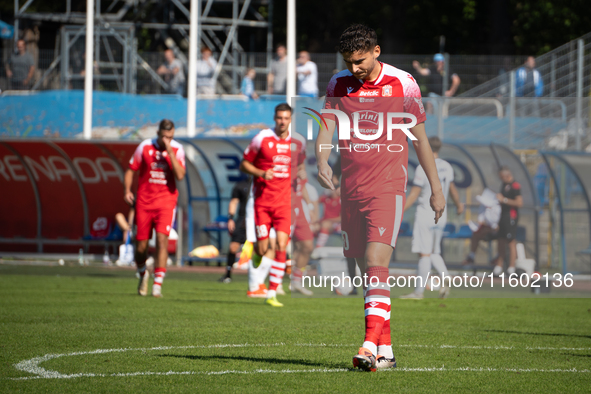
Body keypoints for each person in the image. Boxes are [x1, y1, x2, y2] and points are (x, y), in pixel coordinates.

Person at [316, 24, 445, 372]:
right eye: (348, 62)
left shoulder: (403, 83)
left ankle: (369, 346)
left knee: (376, 261)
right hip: (351, 190)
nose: (354, 68)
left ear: (376, 51)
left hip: (388, 186)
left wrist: (436, 188)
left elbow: (419, 139)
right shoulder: (338, 83)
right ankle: (386, 351)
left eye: (359, 61)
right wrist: (321, 159)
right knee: (368, 274)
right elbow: (327, 122)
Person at [240, 103, 303, 307]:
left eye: (286, 118)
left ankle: (272, 293)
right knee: (263, 247)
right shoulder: (262, 138)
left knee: (282, 246)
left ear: (290, 119)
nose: (282, 121)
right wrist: (260, 173)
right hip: (263, 203)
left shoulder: (298, 142)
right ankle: (257, 257)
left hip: (284, 203)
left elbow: (299, 165)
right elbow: (244, 163)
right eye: (279, 118)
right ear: (274, 118)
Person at [124, 119, 186, 298]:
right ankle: (143, 272)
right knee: (141, 246)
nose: (167, 139)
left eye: (171, 136)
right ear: (158, 133)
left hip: (166, 202)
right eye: (164, 136)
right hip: (144, 202)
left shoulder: (177, 149)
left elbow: (180, 175)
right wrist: (127, 190)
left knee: (161, 240)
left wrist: (170, 153)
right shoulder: (144, 147)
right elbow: (131, 169)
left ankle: (158, 284)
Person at [400, 137, 464, 300]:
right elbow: (452, 189)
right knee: (434, 251)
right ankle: (445, 276)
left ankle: (418, 292)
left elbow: (414, 194)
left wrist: (399, 211)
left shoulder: (424, 167)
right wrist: (458, 205)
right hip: (441, 213)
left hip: (425, 213)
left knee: (424, 253)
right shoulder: (447, 166)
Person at [219, 176, 252, 283]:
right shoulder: (241, 185)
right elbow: (234, 202)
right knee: (233, 247)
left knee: (263, 248)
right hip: (242, 219)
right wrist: (230, 218)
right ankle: (228, 275)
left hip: (258, 218)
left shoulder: (264, 185)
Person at [492, 167, 523, 276]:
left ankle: (511, 267)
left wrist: (504, 200)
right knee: (500, 240)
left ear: (507, 175)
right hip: (503, 216)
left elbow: (519, 203)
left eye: (502, 177)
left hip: (511, 217)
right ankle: (499, 266)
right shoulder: (504, 185)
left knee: (510, 241)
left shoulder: (515, 186)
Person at [315, 175, 341, 249]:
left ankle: (318, 248)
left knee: (325, 224)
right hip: (324, 223)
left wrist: (328, 221)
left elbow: (342, 218)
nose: (330, 190)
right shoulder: (326, 198)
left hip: (337, 225)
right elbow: (314, 202)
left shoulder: (340, 200)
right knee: (312, 227)